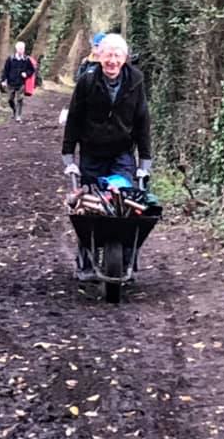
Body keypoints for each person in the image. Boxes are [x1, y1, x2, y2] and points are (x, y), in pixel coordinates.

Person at [61, 33, 152, 280]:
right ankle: (86, 262)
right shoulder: (87, 81)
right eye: (107, 55)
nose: (112, 61)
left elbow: (143, 121)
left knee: (125, 202)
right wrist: (69, 158)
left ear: (125, 59)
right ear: (98, 56)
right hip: (92, 153)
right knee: (89, 206)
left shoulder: (136, 80)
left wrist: (145, 163)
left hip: (122, 153)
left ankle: (126, 259)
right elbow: (74, 119)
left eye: (117, 55)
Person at [0, 41, 35, 123]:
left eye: (22, 49)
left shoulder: (26, 60)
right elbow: (5, 70)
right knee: (10, 99)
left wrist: (26, 74)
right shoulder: (10, 59)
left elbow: (32, 70)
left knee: (20, 99)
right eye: (19, 48)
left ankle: (18, 116)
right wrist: (3, 80)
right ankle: (14, 110)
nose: (21, 50)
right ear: (16, 49)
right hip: (10, 83)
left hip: (21, 83)